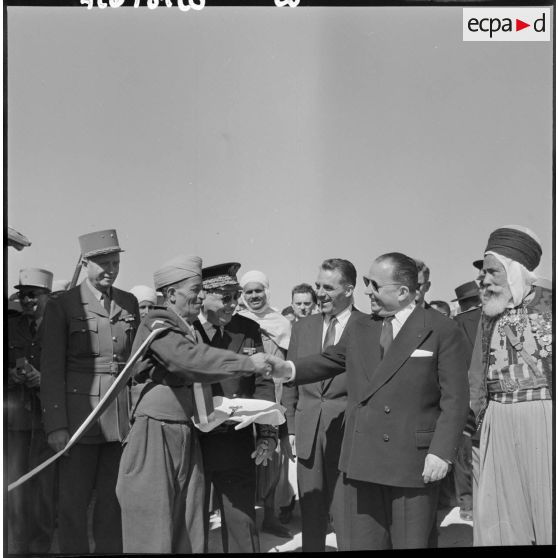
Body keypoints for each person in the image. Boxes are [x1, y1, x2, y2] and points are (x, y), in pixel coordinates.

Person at [265, 252, 470, 550]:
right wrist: (289, 369)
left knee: (411, 542)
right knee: (365, 542)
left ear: (402, 291)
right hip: (361, 462)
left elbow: (455, 399)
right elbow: (330, 359)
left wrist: (441, 452)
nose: (366, 290)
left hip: (412, 464)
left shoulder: (440, 328)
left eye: (374, 284)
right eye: (366, 283)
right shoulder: (363, 327)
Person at [115, 255, 271, 554]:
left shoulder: (182, 325)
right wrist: (246, 363)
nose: (200, 296)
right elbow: (187, 360)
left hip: (186, 432)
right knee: (152, 525)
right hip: (156, 433)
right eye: (195, 289)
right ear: (171, 294)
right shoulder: (157, 322)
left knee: (188, 527)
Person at [41, 229, 141, 554]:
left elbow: (135, 365)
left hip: (120, 420)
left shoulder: (129, 303)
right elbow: (52, 370)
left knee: (112, 505)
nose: (110, 270)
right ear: (85, 262)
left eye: (115, 262)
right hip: (77, 422)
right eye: (103, 264)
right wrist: (56, 425)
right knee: (73, 505)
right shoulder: (63, 305)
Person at [469, 226, 552, 546]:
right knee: (500, 514)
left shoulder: (551, 305)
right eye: (483, 273)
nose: (484, 279)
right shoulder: (488, 312)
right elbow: (476, 374)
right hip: (498, 419)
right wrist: (471, 426)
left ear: (515, 270)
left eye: (492, 271)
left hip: (545, 419)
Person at [193, 261, 277, 553]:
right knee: (193, 526)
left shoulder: (248, 329)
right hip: (194, 443)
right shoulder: (186, 330)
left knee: (242, 523)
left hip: (236, 439)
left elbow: (262, 383)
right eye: (225, 298)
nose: (233, 304)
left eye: (235, 296)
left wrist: (267, 432)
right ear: (203, 297)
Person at [282, 259, 363, 552]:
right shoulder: (303, 326)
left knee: (347, 514)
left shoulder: (366, 326)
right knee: (311, 513)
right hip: (307, 429)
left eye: (328, 287)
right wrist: (290, 425)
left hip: (347, 432)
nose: (320, 293)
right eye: (318, 286)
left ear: (349, 289)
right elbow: (290, 383)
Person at [238, 270, 294, 539]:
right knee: (245, 456)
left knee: (274, 457)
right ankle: (246, 516)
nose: (253, 296)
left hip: (276, 393)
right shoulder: (238, 321)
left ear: (267, 291)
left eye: (258, 291)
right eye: (248, 292)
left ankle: (271, 516)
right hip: (247, 393)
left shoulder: (281, 323)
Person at [7, 268, 57, 554]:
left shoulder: (60, 327)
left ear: (47, 296)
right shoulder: (11, 327)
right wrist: (11, 376)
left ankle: (41, 547)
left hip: (47, 420)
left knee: (43, 490)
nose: (27, 301)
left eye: (33, 295)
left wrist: (44, 380)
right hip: (17, 421)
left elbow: (70, 370)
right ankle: (17, 546)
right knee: (16, 486)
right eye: (23, 295)